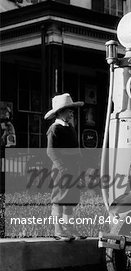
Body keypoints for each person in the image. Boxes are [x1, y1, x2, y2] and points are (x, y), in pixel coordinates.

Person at [45, 93, 84, 241]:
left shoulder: (70, 128)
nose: (71, 112)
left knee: (70, 199)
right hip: (61, 171)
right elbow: (51, 151)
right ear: (61, 112)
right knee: (59, 199)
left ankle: (69, 228)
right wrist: (63, 168)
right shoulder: (54, 129)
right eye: (69, 110)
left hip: (73, 170)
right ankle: (58, 229)